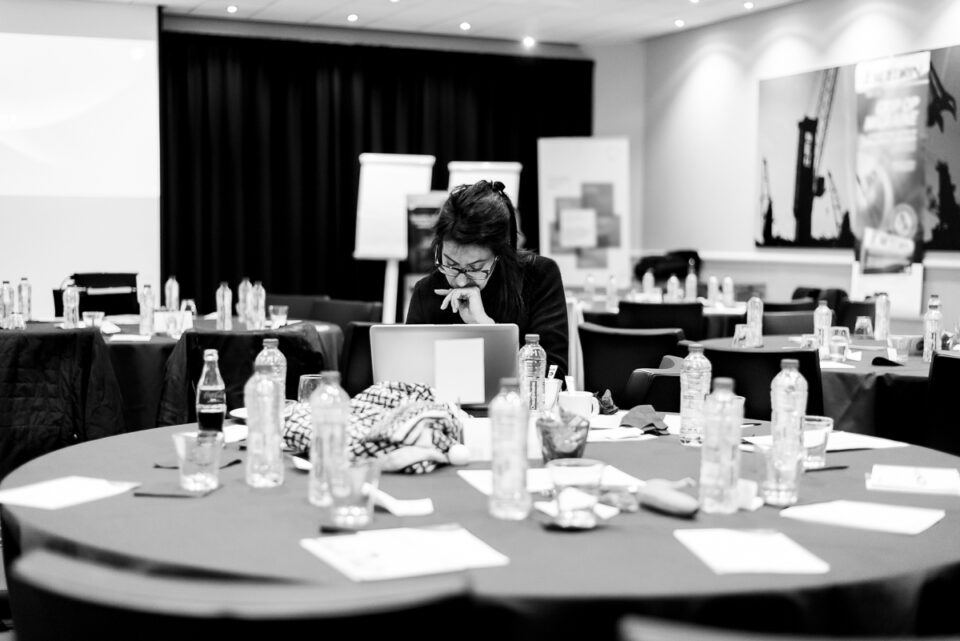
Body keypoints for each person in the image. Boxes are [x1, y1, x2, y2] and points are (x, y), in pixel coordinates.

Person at [406, 180, 569, 380]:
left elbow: (555, 377)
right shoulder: (427, 291)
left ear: (501, 254)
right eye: (450, 263)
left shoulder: (539, 276)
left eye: (475, 268)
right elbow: (411, 379)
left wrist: (486, 328)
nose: (461, 281)